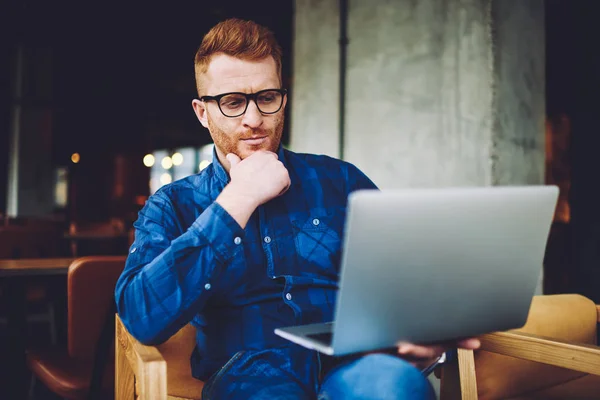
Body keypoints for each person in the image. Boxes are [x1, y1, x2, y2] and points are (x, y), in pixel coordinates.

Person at [115, 18, 480, 399]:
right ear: (203, 112)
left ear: (283, 98)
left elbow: (403, 274)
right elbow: (142, 318)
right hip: (249, 377)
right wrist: (240, 198)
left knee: (396, 384)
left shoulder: (339, 180)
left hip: (352, 367)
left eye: (267, 98)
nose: (254, 120)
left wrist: (424, 320)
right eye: (233, 102)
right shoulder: (173, 204)